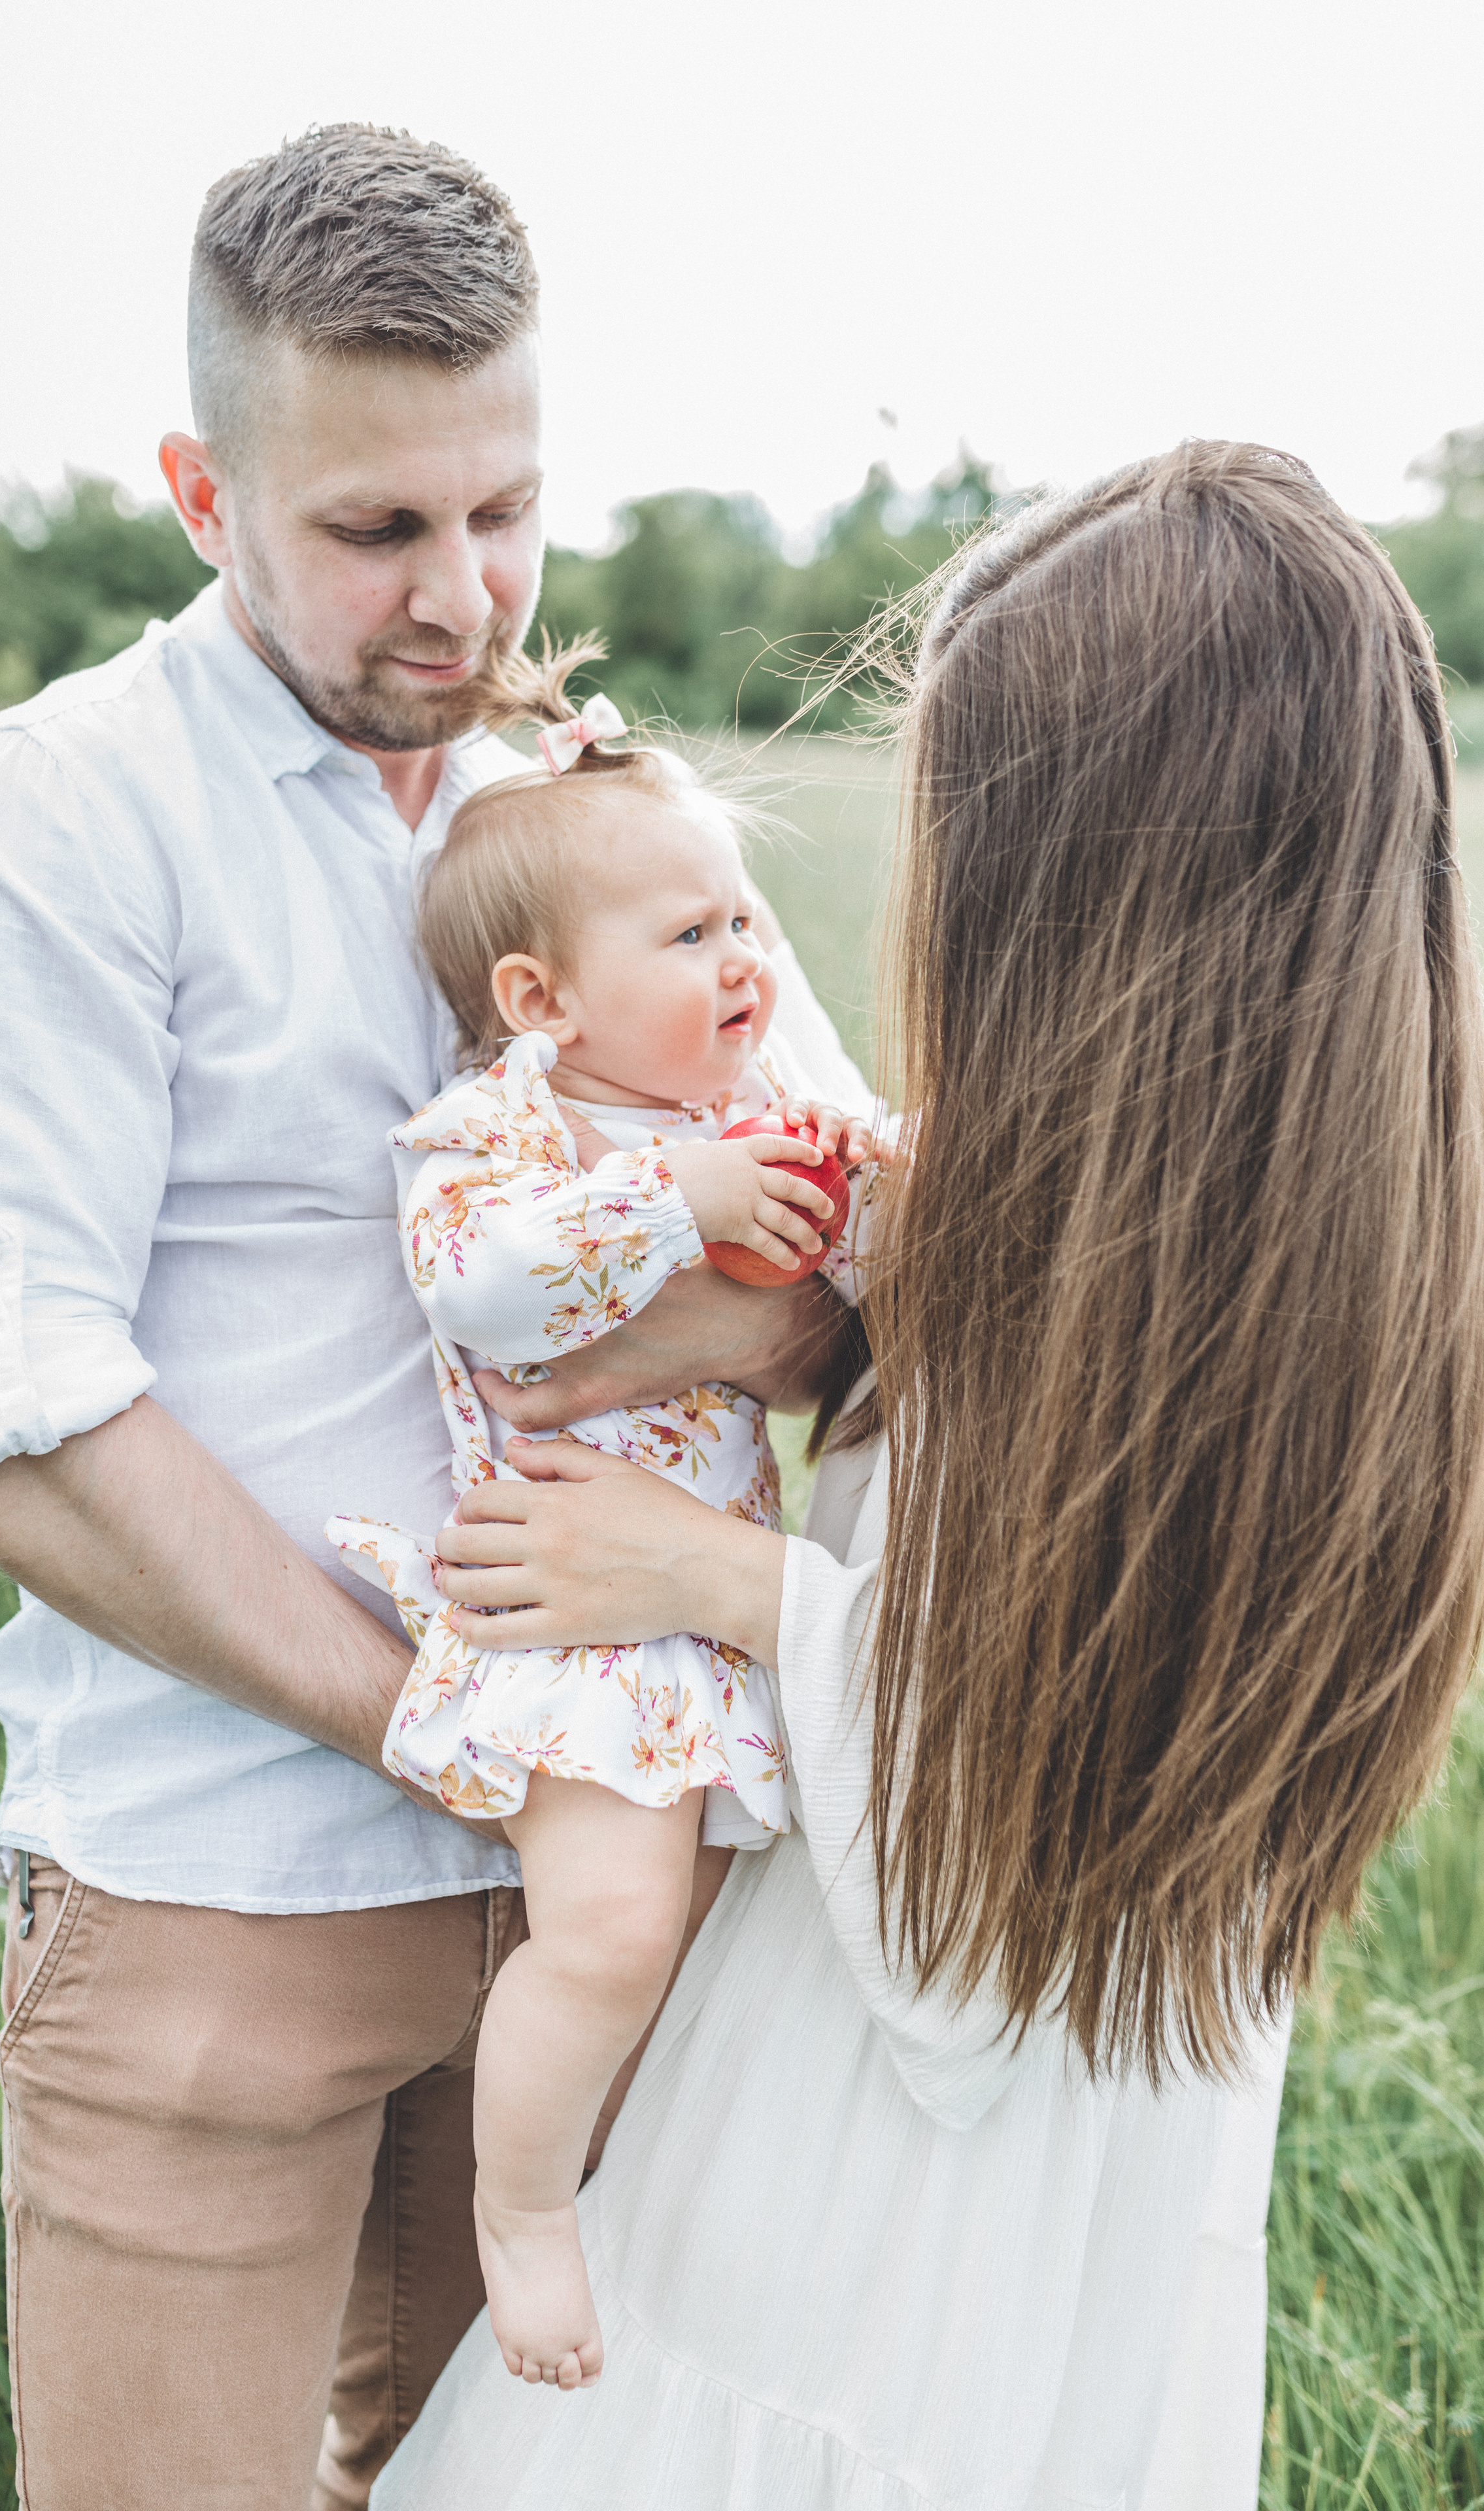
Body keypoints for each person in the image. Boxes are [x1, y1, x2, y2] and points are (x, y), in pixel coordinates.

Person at [0, 126, 854, 2511]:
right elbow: (3, 1416)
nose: (465, 593)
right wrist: (443, 1721)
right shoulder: (40, 828)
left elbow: (844, 1274)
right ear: (203, 487)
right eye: (376, 528)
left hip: (610, 1912)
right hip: (223, 1900)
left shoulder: (607, 826)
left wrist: (721, 1347)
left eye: (505, 509)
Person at [372, 443, 1484, 2507]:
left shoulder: (1170, 1313)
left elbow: (989, 1932)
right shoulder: (1331, 1239)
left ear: (1093, 905)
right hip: (1072, 2221)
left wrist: (723, 1579)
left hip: (891, 2222)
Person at [322, 641, 873, 2387]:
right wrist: (677, 1192)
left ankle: (621, 2203)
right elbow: (486, 1290)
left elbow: (870, 1246)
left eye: (743, 918)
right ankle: (523, 2208)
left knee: (694, 1960)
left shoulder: (745, 1115)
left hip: (690, 1622)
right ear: (540, 997)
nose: (747, 957)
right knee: (616, 1929)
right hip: (578, 1626)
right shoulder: (503, 1134)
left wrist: (870, 1194)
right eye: (692, 935)